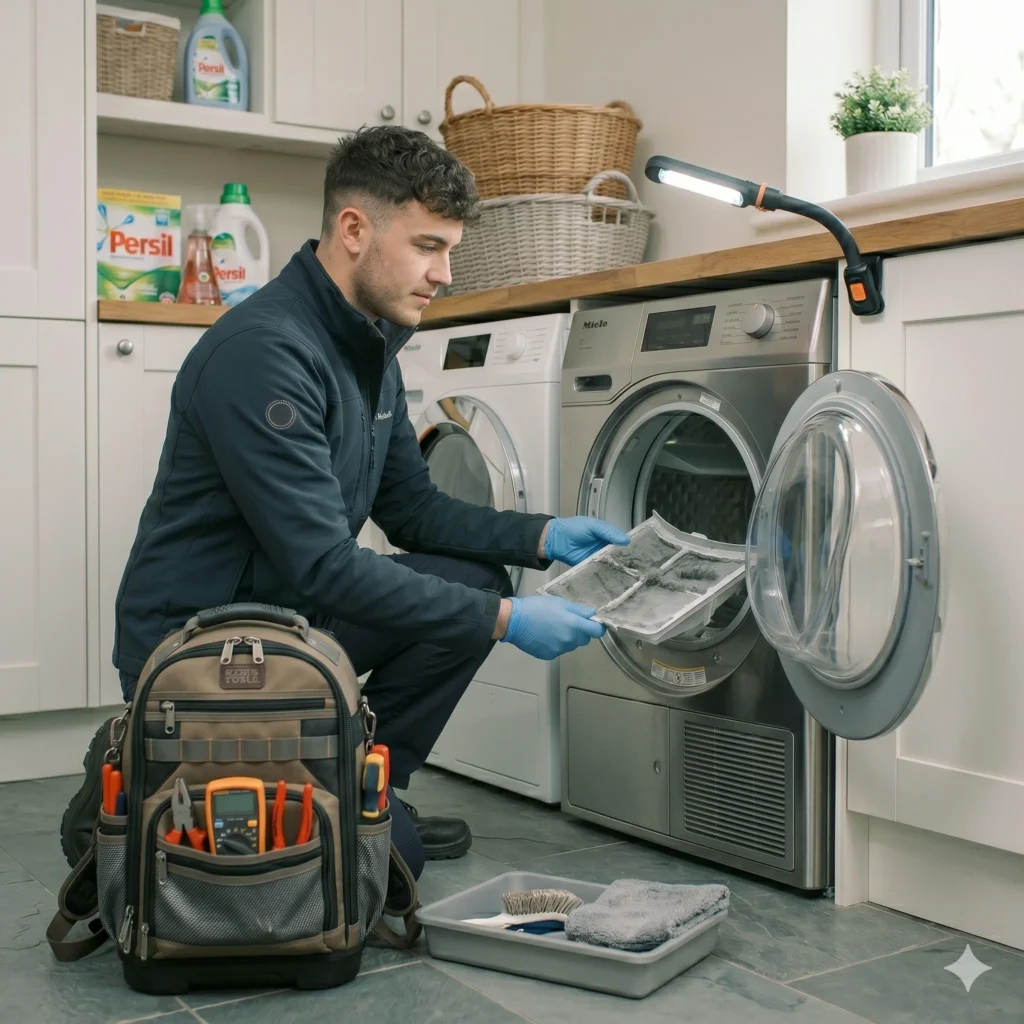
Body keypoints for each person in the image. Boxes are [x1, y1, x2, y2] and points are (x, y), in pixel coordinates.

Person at [60, 125, 628, 881]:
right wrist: (511, 623)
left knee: (475, 580)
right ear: (354, 230)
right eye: (428, 246)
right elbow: (325, 564)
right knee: (393, 866)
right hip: (206, 653)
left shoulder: (371, 349)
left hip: (298, 624)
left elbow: (416, 513)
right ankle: (139, 768)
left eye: (449, 250)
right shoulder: (262, 353)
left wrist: (545, 534)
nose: (445, 273)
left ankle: (365, 788)